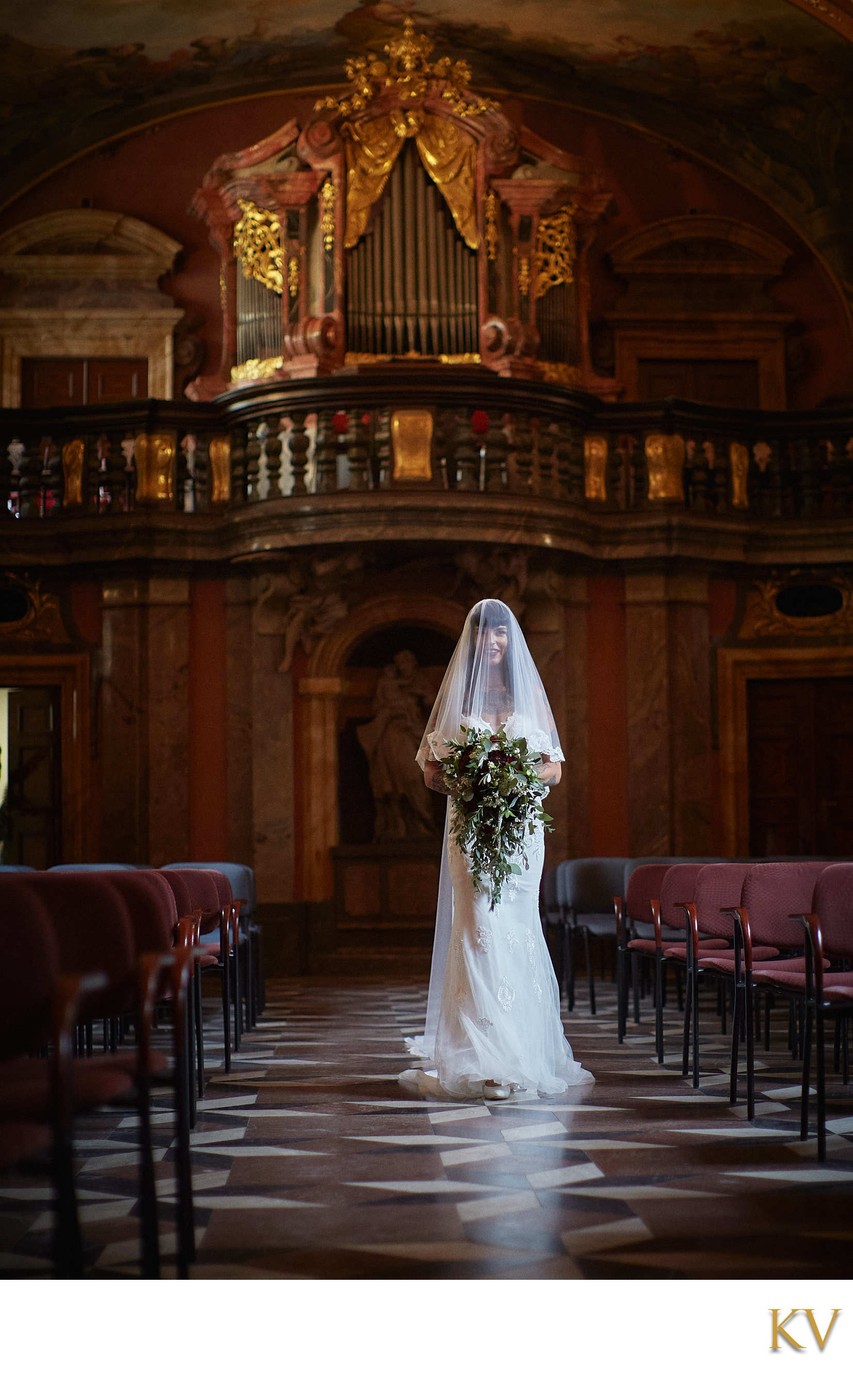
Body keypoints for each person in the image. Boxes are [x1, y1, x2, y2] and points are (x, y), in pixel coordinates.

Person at [400, 598, 594, 1101]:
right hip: (469, 826)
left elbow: (554, 768)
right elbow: (429, 772)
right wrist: (473, 784)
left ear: (511, 642)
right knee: (478, 926)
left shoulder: (529, 695)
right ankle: (479, 1053)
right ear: (472, 640)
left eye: (500, 633)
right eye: (484, 633)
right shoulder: (457, 704)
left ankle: (523, 1049)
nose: (492, 641)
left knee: (516, 925)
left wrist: (519, 778)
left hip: (522, 832)